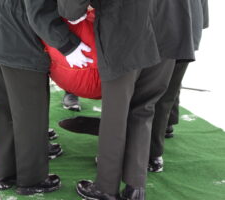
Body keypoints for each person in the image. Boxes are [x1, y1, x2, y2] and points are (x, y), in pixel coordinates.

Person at [57, 0, 200, 199]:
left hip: (126, 29)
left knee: (116, 113)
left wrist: (71, 12)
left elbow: (71, 7)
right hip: (170, 27)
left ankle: (106, 187)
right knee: (144, 108)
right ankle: (136, 187)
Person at [0, 0, 92, 195]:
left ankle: (5, 173)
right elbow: (39, 11)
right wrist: (67, 44)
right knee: (30, 116)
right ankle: (31, 179)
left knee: (4, 110)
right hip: (20, 44)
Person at [149, 0, 209, 173]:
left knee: (157, 92)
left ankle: (152, 153)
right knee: (171, 84)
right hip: (189, 21)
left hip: (165, 26)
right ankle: (167, 124)